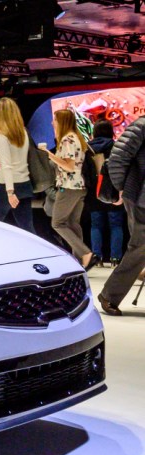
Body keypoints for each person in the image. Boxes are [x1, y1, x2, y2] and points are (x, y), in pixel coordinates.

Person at [98, 115, 145, 316]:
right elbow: (117, 158)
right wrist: (120, 187)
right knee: (140, 247)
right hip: (140, 196)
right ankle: (110, 295)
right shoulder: (142, 125)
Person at [46, 109, 95, 270]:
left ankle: (85, 253)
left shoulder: (67, 139)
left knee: (58, 223)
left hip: (69, 187)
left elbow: (69, 166)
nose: (53, 123)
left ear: (62, 122)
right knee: (73, 223)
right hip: (79, 187)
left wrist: (50, 155)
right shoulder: (76, 138)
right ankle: (79, 260)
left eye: (55, 120)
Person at [0, 97, 36, 234]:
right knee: (27, 228)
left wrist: (10, 192)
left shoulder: (1, 135)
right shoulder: (23, 132)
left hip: (7, 186)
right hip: (24, 183)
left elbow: (7, 165)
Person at [87, 119, 125, 268]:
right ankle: (115, 258)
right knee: (116, 224)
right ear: (111, 131)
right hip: (113, 189)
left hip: (93, 191)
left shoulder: (88, 148)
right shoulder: (116, 147)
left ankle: (97, 257)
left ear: (94, 131)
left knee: (96, 224)